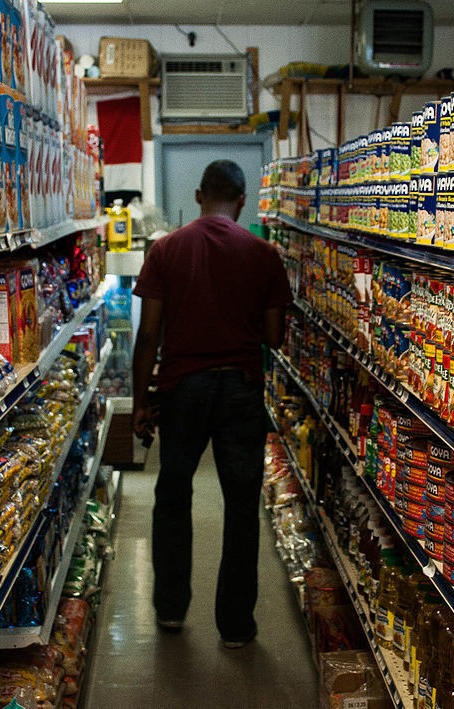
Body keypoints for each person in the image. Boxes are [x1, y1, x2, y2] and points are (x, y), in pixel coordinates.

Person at [131, 159, 292, 648]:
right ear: (243, 200)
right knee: (242, 507)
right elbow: (274, 337)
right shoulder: (265, 254)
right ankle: (236, 627)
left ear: (200, 195)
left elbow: (149, 333)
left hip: (182, 389)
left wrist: (141, 402)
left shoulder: (166, 250)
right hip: (240, 390)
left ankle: (172, 610)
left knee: (173, 495)